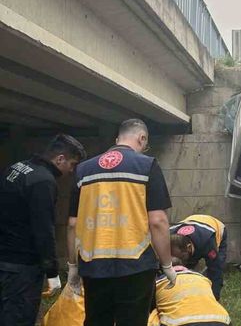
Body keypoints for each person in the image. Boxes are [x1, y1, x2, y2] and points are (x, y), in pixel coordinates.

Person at [67, 118, 176, 326]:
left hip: (93, 265)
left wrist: (73, 265)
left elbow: (73, 224)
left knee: (97, 320)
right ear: (142, 138)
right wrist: (167, 264)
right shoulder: (147, 166)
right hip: (136, 265)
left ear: (117, 139)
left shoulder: (83, 170)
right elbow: (158, 221)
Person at [0, 134, 85, 326]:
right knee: (18, 317)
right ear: (60, 158)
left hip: (5, 259)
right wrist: (52, 272)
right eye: (72, 164)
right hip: (22, 267)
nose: (71, 170)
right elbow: (44, 230)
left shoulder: (17, 167)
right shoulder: (43, 181)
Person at [150, 262, 231, 326]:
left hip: (180, 323)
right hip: (222, 321)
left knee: (153, 314)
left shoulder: (158, 283)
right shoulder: (203, 279)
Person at [170, 214, 227, 300]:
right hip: (192, 224)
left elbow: (215, 271)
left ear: (189, 248)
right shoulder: (168, 236)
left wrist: (214, 298)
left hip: (215, 227)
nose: (177, 260)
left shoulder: (207, 242)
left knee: (218, 264)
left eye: (180, 257)